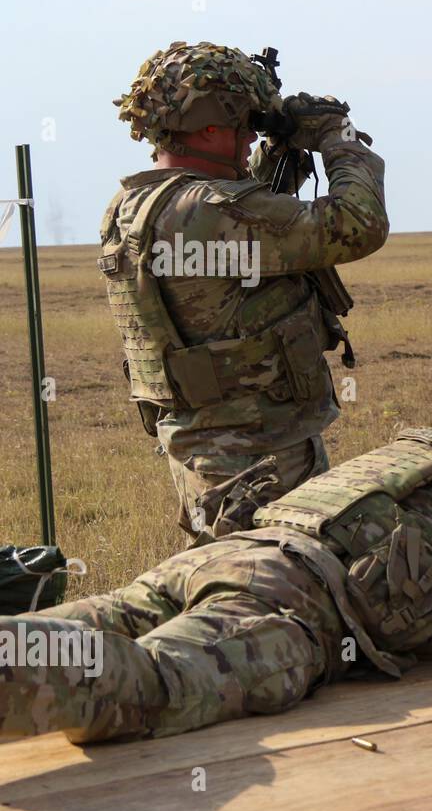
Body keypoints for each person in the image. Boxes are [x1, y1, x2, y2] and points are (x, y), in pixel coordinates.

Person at [0, 340, 432, 743]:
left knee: (57, 627)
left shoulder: (427, 445)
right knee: (150, 686)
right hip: (291, 606)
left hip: (222, 557)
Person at [100, 41, 389, 539]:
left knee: (234, 589)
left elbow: (237, 235)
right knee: (279, 594)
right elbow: (357, 224)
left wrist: (273, 164)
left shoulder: (133, 204)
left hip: (208, 446)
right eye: (243, 125)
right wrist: (338, 139)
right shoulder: (212, 209)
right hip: (257, 453)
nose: (251, 134)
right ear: (209, 127)